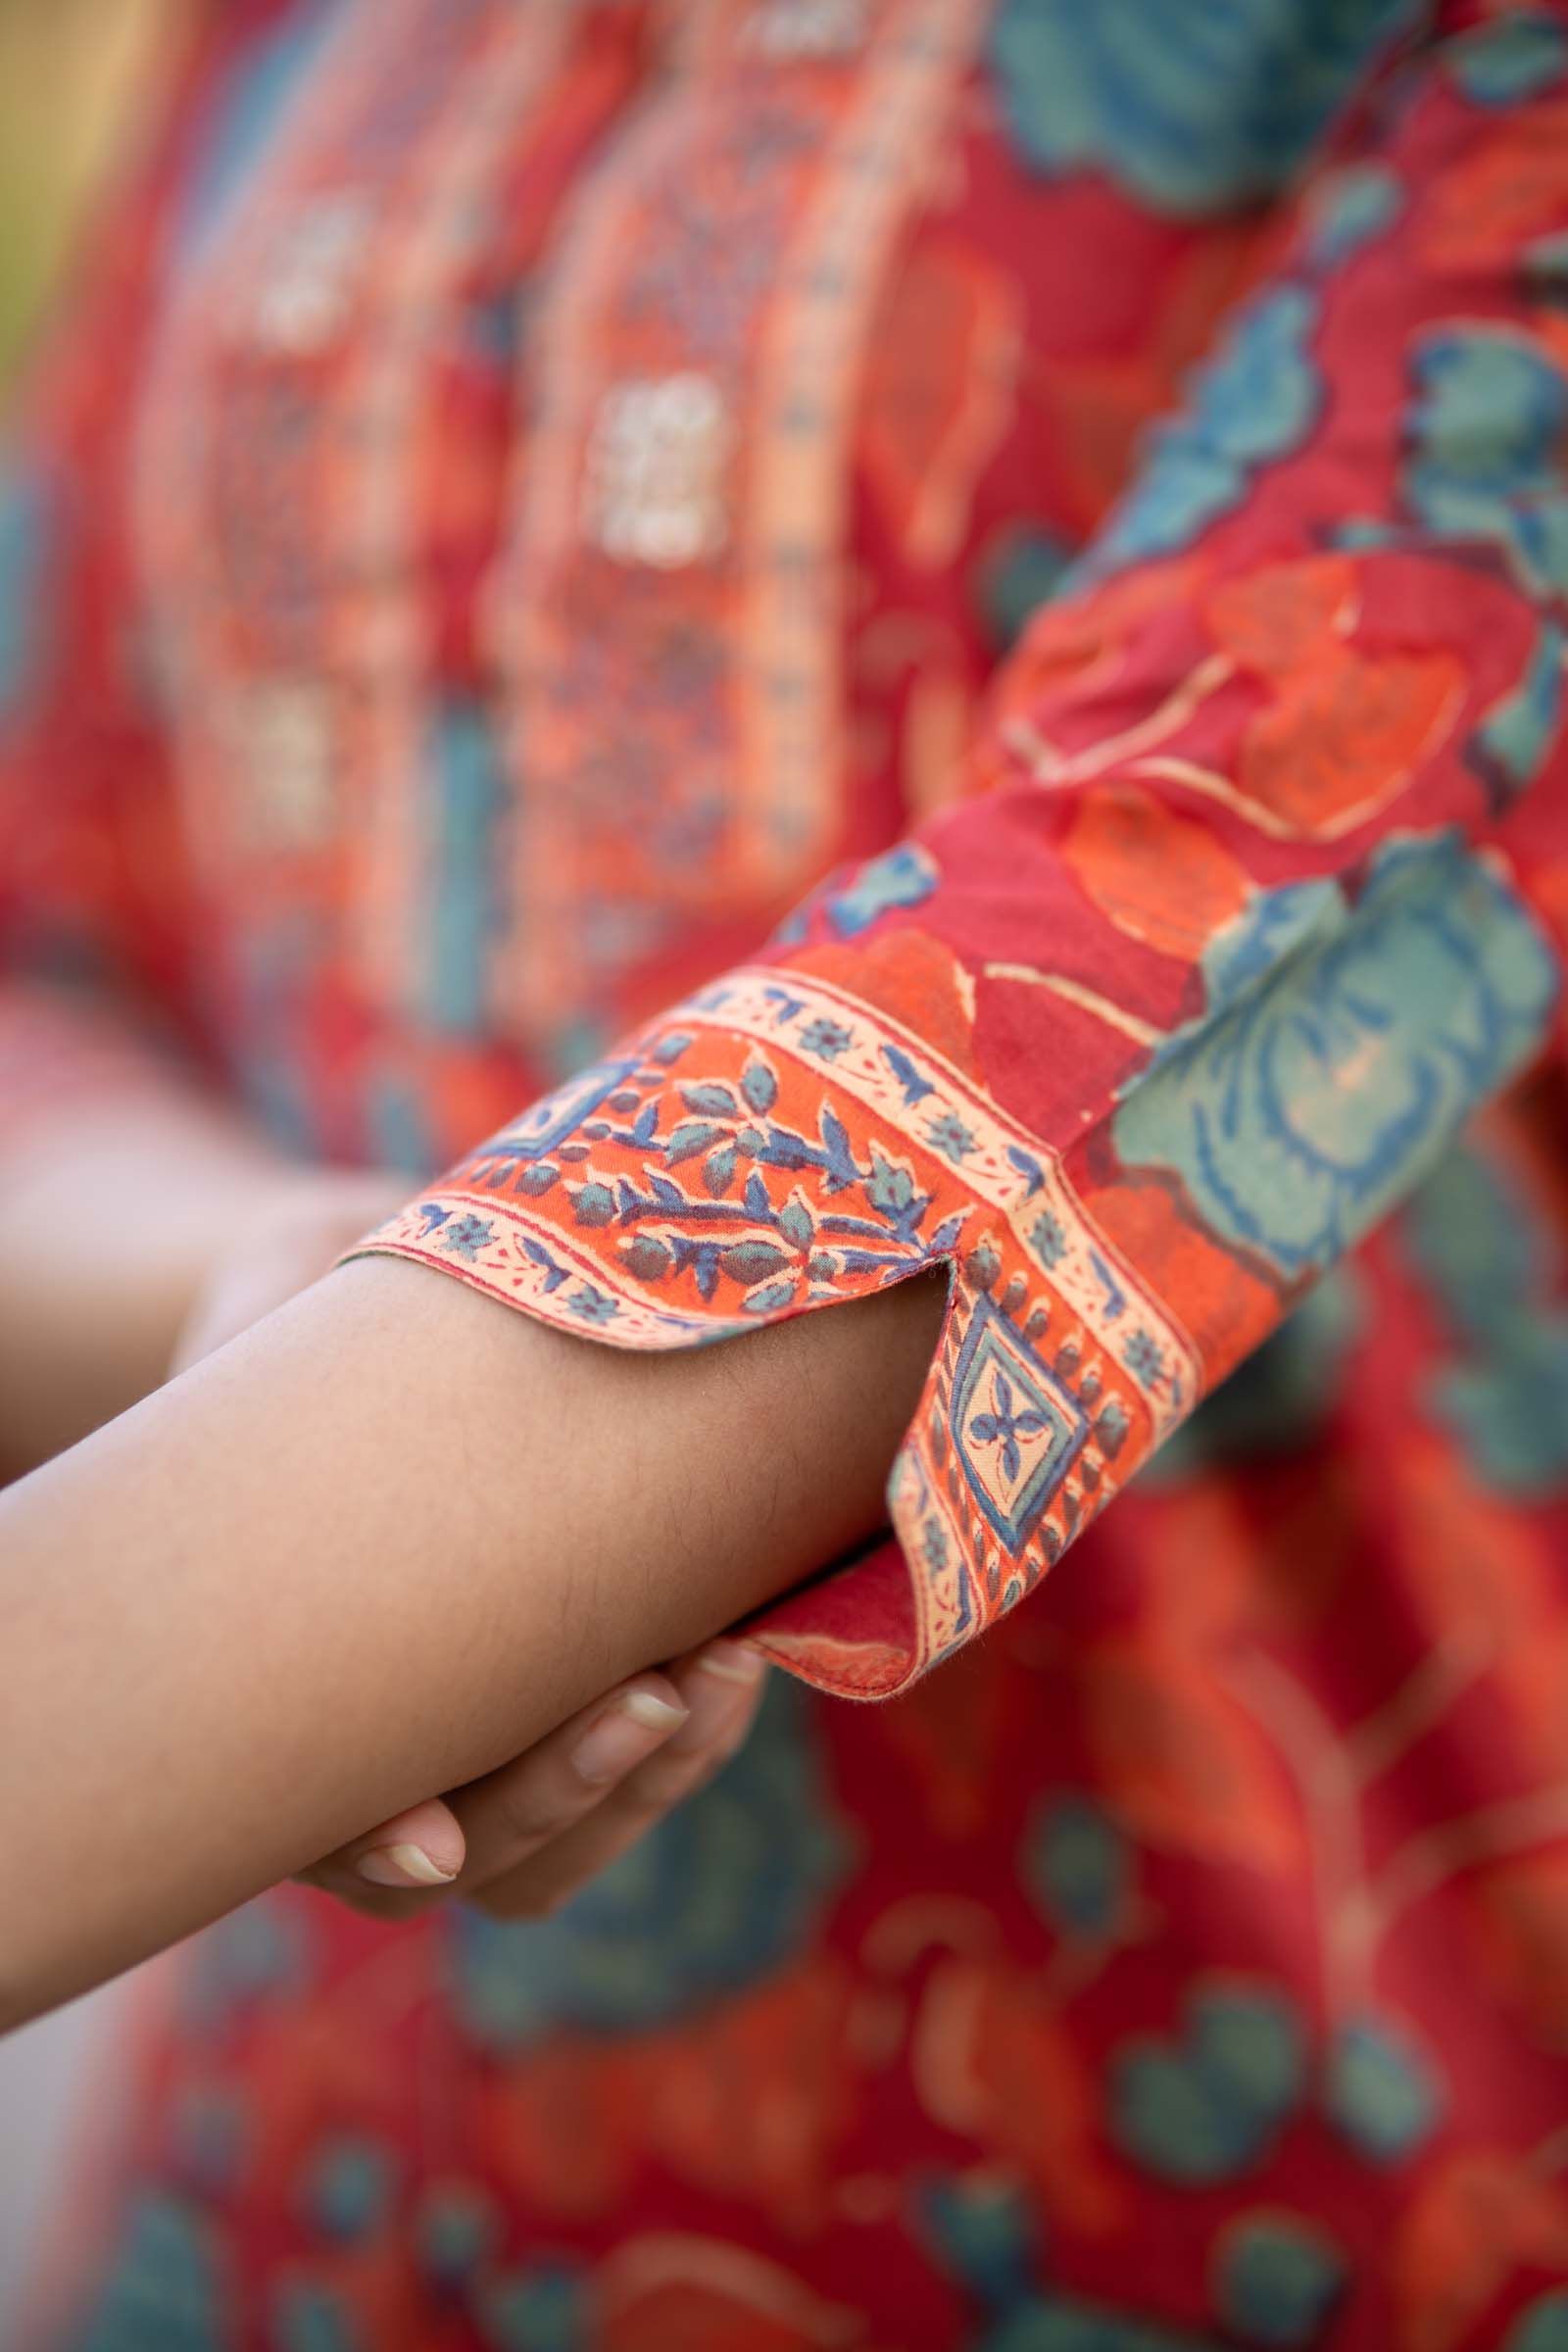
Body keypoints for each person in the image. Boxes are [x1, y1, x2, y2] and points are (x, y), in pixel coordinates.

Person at [5, 0, 1568, 2341]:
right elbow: (53, 940)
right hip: (285, 2230)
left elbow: (1083, 1012)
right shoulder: (283, 45)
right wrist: (256, 1271)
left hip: (1256, 2193)